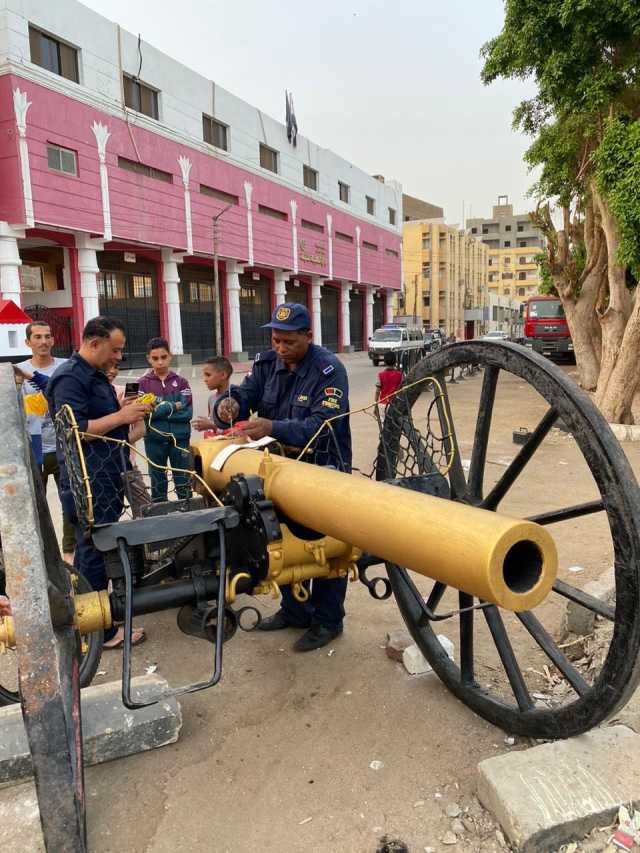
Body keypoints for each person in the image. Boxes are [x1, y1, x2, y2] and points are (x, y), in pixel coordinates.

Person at [216, 303, 351, 652]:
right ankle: (294, 611)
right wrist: (227, 406)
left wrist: (273, 426)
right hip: (278, 471)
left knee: (324, 547)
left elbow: (323, 427)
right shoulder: (266, 364)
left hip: (323, 470)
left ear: (308, 336)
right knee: (284, 540)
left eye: (288, 342)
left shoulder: (328, 371)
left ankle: (327, 620)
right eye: (276, 340)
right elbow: (243, 397)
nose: (280, 348)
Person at [47, 317, 151, 648]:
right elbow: (75, 431)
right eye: (115, 349)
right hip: (88, 480)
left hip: (104, 474)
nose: (119, 357)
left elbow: (100, 418)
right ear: (95, 344)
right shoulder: (69, 379)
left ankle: (91, 617)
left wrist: (125, 412)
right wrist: (121, 417)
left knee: (91, 548)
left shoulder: (91, 375)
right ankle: (100, 631)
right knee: (94, 548)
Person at [16, 321, 76, 562]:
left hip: (64, 447)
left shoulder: (66, 367)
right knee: (35, 506)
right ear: (28, 342)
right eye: (37, 337)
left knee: (70, 501)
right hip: (34, 448)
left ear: (53, 340)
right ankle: (41, 553)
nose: (43, 341)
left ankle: (69, 554)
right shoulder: (17, 371)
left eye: (47, 336)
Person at [138, 338, 193, 502]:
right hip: (154, 440)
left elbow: (187, 413)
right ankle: (160, 518)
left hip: (180, 440)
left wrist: (157, 407)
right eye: (155, 358)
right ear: (148, 358)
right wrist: (172, 406)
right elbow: (144, 414)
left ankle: (188, 518)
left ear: (170, 356)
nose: (160, 362)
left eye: (164, 357)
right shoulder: (141, 384)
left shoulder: (182, 383)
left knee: (183, 482)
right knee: (157, 485)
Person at [192, 356, 233, 434]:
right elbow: (212, 424)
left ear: (223, 375)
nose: (205, 379)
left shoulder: (234, 398)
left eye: (208, 375)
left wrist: (212, 426)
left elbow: (236, 431)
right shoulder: (211, 398)